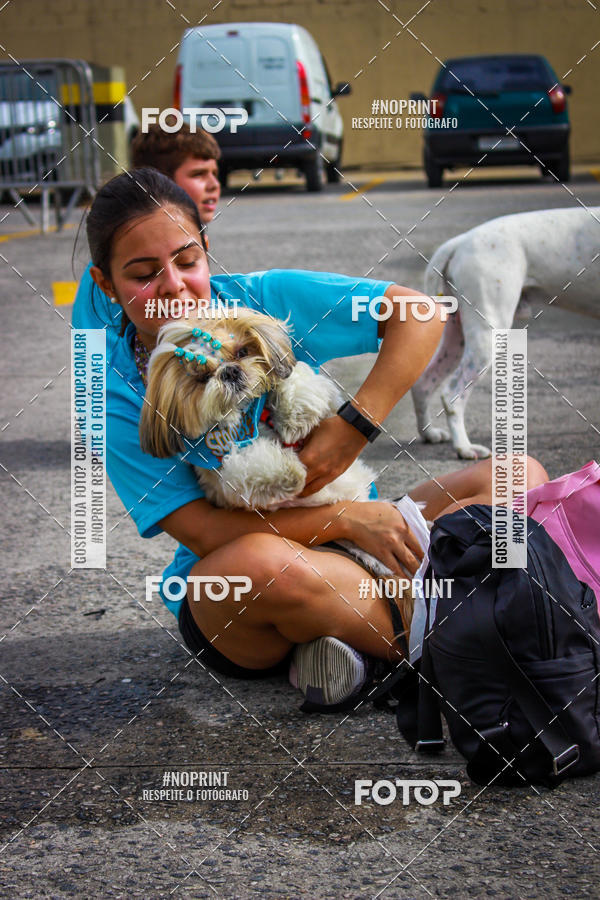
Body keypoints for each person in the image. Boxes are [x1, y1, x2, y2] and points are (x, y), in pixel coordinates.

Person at [74, 167, 549, 707]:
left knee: (519, 477)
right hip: (250, 579)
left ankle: (360, 642)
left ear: (206, 249)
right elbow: (206, 533)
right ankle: (481, 637)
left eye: (187, 261)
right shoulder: (107, 390)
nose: (173, 286)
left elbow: (420, 314)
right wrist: (344, 520)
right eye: (142, 274)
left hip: (355, 541)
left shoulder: (263, 298)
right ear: (105, 283)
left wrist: (355, 426)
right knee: (260, 567)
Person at [73, 123, 221, 341]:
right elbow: (88, 365)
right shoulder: (103, 282)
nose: (213, 185)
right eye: (198, 174)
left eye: (188, 262)